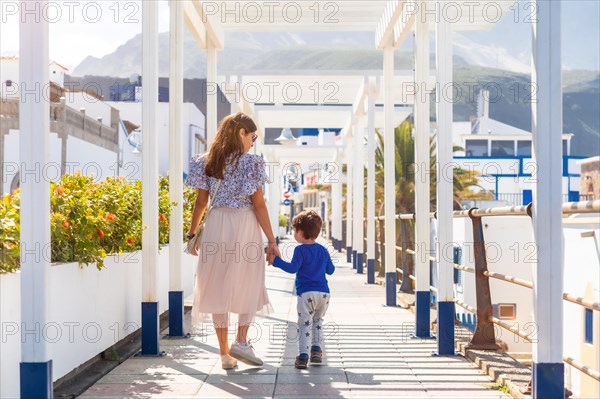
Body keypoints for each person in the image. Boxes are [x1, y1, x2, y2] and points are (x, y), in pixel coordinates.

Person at [185, 112, 281, 370]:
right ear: (242, 133)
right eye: (253, 136)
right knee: (249, 281)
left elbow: (201, 203)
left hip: (216, 224)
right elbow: (259, 205)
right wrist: (272, 240)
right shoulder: (252, 164)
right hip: (245, 224)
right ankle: (241, 340)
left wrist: (192, 235)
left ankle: (225, 354)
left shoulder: (206, 161)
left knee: (218, 285)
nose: (253, 141)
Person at [269, 210, 335, 369]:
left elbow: (293, 268)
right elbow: (330, 270)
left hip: (306, 294)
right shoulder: (323, 250)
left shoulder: (300, 250)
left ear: (299, 231)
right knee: (318, 322)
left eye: (294, 230)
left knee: (304, 324)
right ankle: (317, 351)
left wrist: (276, 261)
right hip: (324, 294)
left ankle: (303, 356)